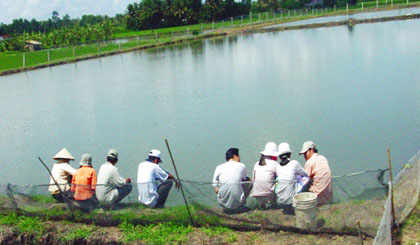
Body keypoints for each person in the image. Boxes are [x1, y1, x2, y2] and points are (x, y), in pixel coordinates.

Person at [299, 141, 332, 205]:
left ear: (311, 150)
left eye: (305, 153)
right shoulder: (323, 158)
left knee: (301, 187)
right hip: (328, 198)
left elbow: (304, 181)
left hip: (317, 199)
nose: (304, 156)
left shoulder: (310, 162)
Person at [250, 142, 281, 209]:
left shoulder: (257, 163)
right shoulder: (275, 164)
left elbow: (253, 180)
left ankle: (262, 205)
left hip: (257, 194)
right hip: (269, 195)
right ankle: (274, 204)